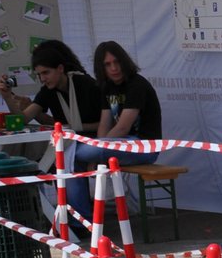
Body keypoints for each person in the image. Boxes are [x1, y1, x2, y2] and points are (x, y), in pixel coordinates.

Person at [63, 42, 162, 223]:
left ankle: (80, 221)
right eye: (107, 64)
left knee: (71, 154)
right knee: (73, 157)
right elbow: (104, 124)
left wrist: (95, 152)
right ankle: (80, 221)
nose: (114, 68)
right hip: (118, 144)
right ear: (101, 68)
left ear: (124, 61)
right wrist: (97, 147)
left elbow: (122, 127)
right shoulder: (107, 87)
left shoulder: (137, 84)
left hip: (143, 147)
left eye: (116, 62)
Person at [0, 39, 104, 136]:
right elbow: (23, 119)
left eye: (46, 73)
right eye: (39, 75)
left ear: (60, 68)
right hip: (68, 141)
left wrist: (73, 127)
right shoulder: (48, 90)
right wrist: (7, 96)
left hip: (93, 139)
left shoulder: (87, 84)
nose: (42, 79)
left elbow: (108, 124)